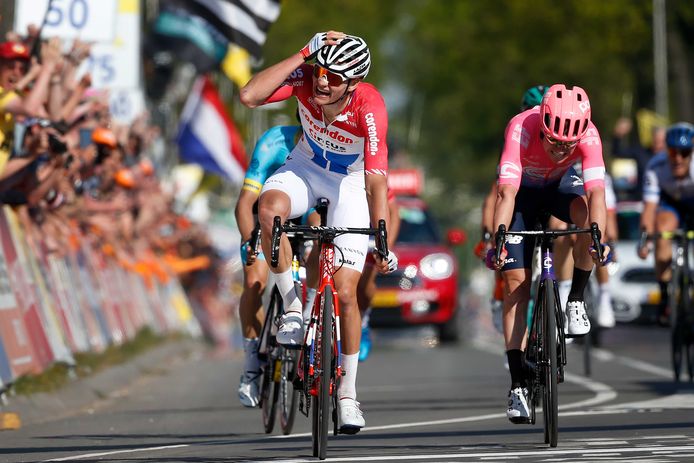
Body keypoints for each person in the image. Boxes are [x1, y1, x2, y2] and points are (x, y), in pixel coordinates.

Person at [240, 31, 397, 433]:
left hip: (350, 183)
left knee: (346, 293)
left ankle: (347, 395)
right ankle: (292, 308)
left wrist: (380, 237)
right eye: (321, 71)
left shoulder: (370, 106)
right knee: (269, 210)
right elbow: (250, 96)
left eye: (334, 76)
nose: (323, 81)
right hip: (306, 168)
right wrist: (304, 54)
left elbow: (377, 181)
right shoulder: (307, 78)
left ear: (354, 83)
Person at [487, 84, 608, 423]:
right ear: (541, 125)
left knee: (588, 219)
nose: (559, 149)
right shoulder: (521, 127)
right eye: (553, 141)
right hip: (522, 194)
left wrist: (598, 239)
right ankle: (518, 386)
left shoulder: (590, 136)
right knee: (515, 285)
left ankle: (576, 299)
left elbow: (597, 194)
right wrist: (499, 237)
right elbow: (506, 194)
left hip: (558, 189)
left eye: (568, 144)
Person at [234, 124, 302, 407]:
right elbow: (244, 202)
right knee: (254, 282)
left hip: (305, 219)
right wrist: (250, 240)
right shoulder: (274, 141)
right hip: (265, 217)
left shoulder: (335, 141)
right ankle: (251, 367)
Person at [475, 85, 548, 333]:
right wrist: (489, 236)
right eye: (530, 111)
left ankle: (562, 295)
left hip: (547, 202)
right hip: (516, 200)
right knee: (502, 245)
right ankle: (500, 295)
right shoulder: (516, 135)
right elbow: (495, 195)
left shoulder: (559, 140)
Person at [637, 122, 694, 326]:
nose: (678, 158)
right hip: (671, 204)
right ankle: (665, 294)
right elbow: (649, 209)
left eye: (684, 152)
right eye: (672, 152)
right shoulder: (656, 166)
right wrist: (645, 240)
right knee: (662, 228)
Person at [357, 191, 400, 362]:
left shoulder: (373, 176)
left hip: (371, 238)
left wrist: (386, 246)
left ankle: (363, 322)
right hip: (348, 233)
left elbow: (394, 215)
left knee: (364, 285)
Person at [612, 117, 666, 200]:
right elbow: (618, 152)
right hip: (641, 199)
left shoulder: (671, 157)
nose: (658, 145)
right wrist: (618, 134)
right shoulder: (641, 152)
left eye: (661, 141)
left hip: (663, 201)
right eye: (656, 141)